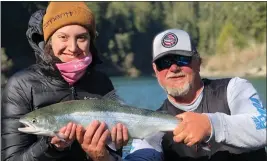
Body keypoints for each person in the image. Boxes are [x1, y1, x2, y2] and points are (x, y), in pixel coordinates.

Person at [1, 2, 129, 161]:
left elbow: (116, 156)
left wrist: (103, 156)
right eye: (63, 37)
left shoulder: (101, 82)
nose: (73, 47)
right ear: (49, 40)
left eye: (81, 37)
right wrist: (51, 147)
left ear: (91, 40)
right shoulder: (21, 86)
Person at [122, 29, 267, 161]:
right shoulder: (150, 124)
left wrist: (211, 125)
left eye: (182, 59)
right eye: (164, 63)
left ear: (198, 62)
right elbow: (142, 155)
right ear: (155, 70)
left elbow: (263, 128)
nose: (173, 68)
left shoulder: (234, 89)